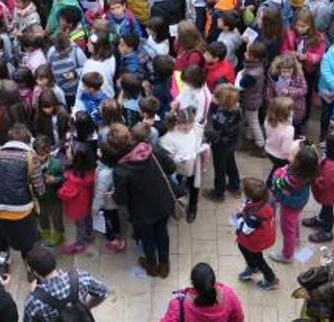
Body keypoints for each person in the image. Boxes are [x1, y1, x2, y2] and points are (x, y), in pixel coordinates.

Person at [112, 123, 176, 277]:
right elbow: (171, 167)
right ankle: (164, 265)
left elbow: (121, 200)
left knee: (147, 238)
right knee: (162, 233)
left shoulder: (120, 170)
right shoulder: (150, 148)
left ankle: (152, 266)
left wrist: (114, 195)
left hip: (142, 212)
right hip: (162, 202)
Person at [0, 125, 44, 258]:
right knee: (27, 242)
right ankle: (30, 268)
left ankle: (3, 264)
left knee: (2, 240)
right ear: (27, 142)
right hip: (21, 210)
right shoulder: (30, 156)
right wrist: (39, 196)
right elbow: (38, 185)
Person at [23, 245, 110, 322]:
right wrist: (87, 305)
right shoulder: (81, 278)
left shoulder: (34, 302)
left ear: (35, 272)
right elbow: (103, 292)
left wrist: (34, 293)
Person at [161, 262, 244, 322]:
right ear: (213, 280)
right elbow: (239, 318)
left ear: (193, 283)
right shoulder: (229, 295)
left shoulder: (178, 306)